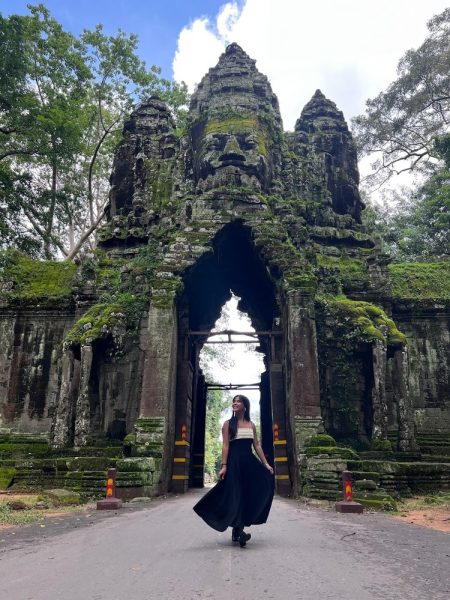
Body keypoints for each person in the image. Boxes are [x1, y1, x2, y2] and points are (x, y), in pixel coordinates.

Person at [193, 394, 274, 547]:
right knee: (236, 495)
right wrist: (224, 465)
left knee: (249, 493)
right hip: (234, 463)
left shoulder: (251, 425)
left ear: (245, 406)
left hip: (249, 463)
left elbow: (256, 446)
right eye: (234, 401)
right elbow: (226, 446)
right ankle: (239, 531)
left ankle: (238, 530)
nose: (235, 403)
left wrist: (266, 464)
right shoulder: (228, 424)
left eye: (239, 401)